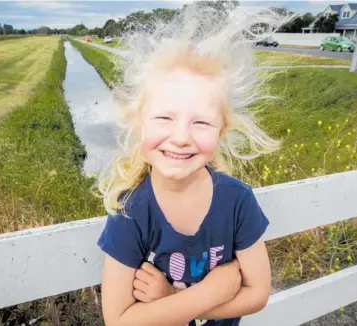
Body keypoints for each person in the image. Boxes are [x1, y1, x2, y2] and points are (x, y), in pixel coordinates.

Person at [96, 3, 290, 326]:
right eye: (164, 118)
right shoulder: (130, 210)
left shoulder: (238, 202)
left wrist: (173, 299)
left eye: (200, 122)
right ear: (138, 122)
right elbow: (118, 320)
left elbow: (257, 293)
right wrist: (208, 294)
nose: (181, 137)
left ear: (221, 130)